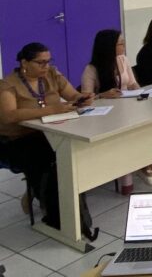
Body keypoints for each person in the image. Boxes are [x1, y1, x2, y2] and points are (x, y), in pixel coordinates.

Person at [0, 43, 94, 229]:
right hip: (16, 140)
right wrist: (51, 110)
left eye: (48, 61)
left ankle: (64, 209)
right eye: (40, 62)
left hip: (49, 133)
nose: (46, 66)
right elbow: (9, 115)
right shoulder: (8, 85)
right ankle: (55, 214)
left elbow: (72, 95)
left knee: (70, 152)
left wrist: (82, 99)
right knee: (52, 160)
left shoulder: (52, 75)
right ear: (24, 63)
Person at [82, 31, 152, 191]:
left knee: (149, 126)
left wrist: (141, 93)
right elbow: (85, 98)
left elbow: (133, 84)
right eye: (120, 43)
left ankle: (149, 166)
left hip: (128, 107)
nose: (124, 46)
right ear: (109, 47)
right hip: (107, 116)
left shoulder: (123, 59)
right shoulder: (91, 69)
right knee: (132, 133)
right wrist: (102, 95)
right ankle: (144, 168)